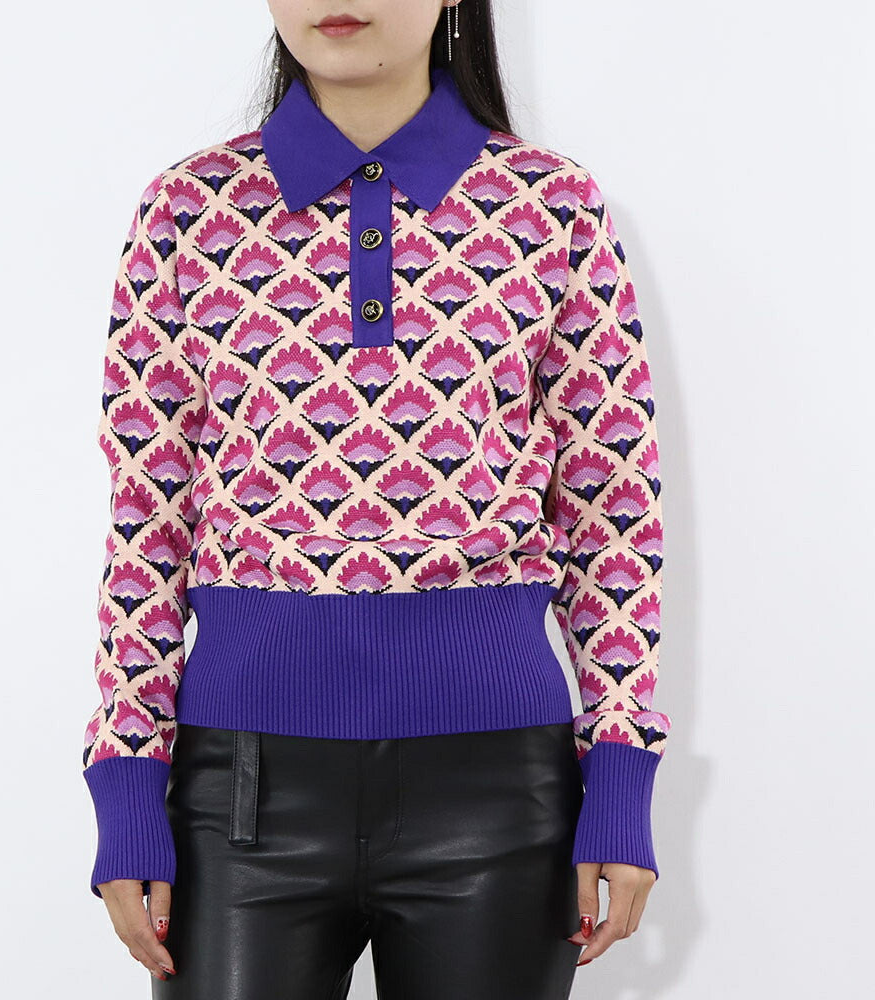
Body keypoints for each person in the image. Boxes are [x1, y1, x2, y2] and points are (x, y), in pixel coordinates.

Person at [80, 2, 672, 997]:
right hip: (239, 799)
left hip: (497, 795)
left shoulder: (553, 208)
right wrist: (128, 783)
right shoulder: (188, 212)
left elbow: (611, 512)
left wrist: (620, 771)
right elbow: (149, 522)